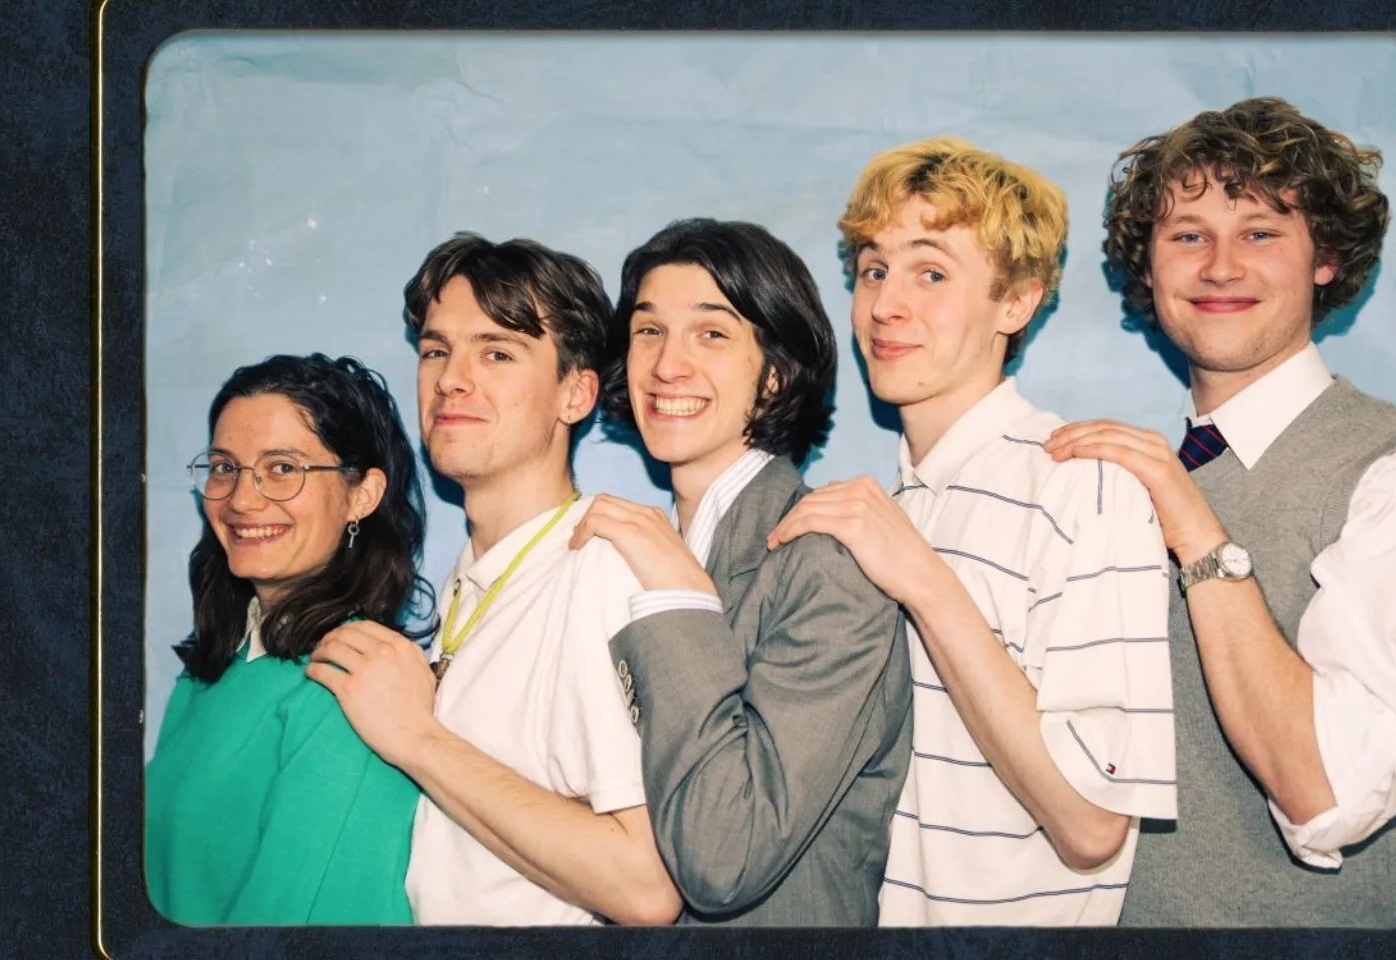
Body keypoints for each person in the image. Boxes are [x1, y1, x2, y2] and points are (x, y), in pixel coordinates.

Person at [1044, 96, 1396, 926]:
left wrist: (1196, 530)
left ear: (1325, 259)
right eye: (1188, 236)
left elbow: (1328, 791)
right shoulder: (1124, 483)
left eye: (1260, 232)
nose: (1221, 267)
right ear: (1149, 270)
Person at [767, 137, 1177, 925]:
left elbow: (1092, 825)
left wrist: (926, 583)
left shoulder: (1080, 485)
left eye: (931, 273)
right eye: (874, 270)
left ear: (1016, 303)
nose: (886, 305)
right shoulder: (897, 509)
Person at [306, 233, 681, 926]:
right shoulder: (470, 581)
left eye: (497, 353)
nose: (451, 379)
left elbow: (645, 887)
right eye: (435, 350)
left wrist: (418, 738)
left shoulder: (598, 570)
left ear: (575, 393)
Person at [568, 217, 912, 925]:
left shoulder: (824, 566)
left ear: (775, 375)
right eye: (649, 330)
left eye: (711, 333)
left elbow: (725, 858)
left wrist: (678, 599)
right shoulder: (632, 555)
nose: (668, 364)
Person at [144, 353, 433, 925]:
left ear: (362, 494)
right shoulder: (212, 669)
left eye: (282, 468)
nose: (241, 499)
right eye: (224, 467)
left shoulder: (352, 684)